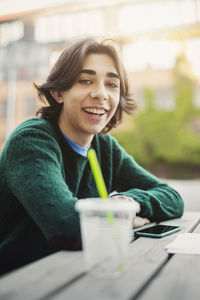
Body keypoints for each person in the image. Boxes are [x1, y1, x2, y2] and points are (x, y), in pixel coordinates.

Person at [0, 38, 184, 276]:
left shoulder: (103, 146)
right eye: (85, 81)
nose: (101, 94)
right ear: (58, 92)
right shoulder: (31, 141)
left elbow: (173, 198)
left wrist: (127, 204)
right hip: (21, 281)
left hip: (80, 274)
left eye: (112, 84)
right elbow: (66, 225)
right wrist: (122, 218)